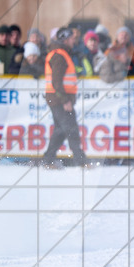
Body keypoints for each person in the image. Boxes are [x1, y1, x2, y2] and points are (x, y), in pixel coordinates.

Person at [41, 27, 88, 168]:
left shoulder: (60, 54)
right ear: (66, 39)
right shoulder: (59, 56)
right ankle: (81, 162)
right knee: (71, 128)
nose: (74, 41)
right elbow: (57, 82)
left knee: (60, 130)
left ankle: (48, 160)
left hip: (56, 98)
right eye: (72, 38)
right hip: (59, 99)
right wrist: (65, 101)